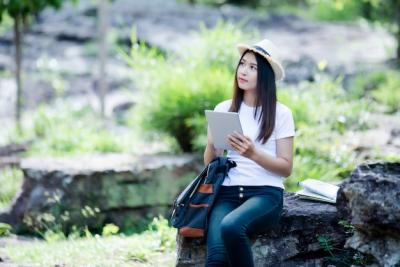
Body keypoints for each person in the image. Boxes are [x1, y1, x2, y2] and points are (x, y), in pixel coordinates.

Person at [203, 39, 295, 267]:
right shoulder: (224, 108)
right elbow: (210, 164)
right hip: (227, 193)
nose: (243, 71)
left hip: (265, 194)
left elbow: (286, 167)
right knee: (215, 259)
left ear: (264, 75)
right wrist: (212, 146)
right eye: (242, 64)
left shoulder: (281, 113)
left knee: (231, 226)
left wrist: (253, 153)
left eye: (252, 67)